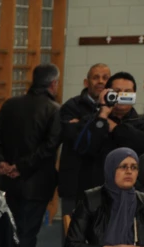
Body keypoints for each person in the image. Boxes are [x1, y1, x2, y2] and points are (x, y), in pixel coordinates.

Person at [0, 63, 62, 247]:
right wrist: (20, 167)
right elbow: (49, 148)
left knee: (8, 231)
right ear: (53, 84)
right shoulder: (55, 110)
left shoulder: (10, 104)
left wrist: (2, 163)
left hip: (6, 182)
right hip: (36, 183)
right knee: (27, 233)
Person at [74, 71, 144, 194]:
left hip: (134, 194)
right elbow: (83, 149)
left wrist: (115, 128)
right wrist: (103, 115)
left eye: (127, 91)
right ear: (106, 93)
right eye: (116, 92)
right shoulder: (91, 121)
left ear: (134, 95)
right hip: (96, 193)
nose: (122, 95)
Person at [58, 63, 111, 217]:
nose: (100, 81)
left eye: (105, 78)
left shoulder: (115, 108)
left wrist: (81, 123)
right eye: (96, 77)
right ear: (86, 83)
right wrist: (101, 115)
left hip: (102, 183)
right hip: (74, 184)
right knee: (71, 234)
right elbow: (73, 137)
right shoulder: (71, 106)